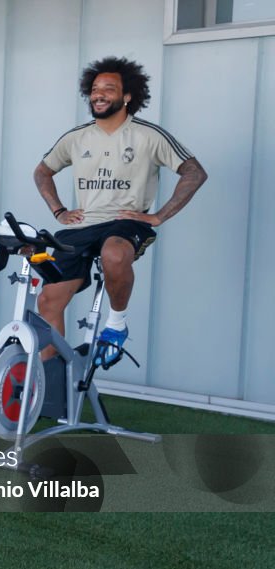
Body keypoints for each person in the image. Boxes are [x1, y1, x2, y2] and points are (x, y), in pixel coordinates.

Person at [33, 56, 207, 366]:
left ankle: (116, 324)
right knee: (48, 300)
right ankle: (51, 381)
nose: (98, 95)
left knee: (114, 254)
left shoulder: (148, 135)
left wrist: (159, 216)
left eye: (109, 89)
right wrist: (59, 210)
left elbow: (194, 172)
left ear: (127, 96)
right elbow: (42, 172)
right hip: (82, 226)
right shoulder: (76, 137)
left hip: (125, 223)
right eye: (95, 89)